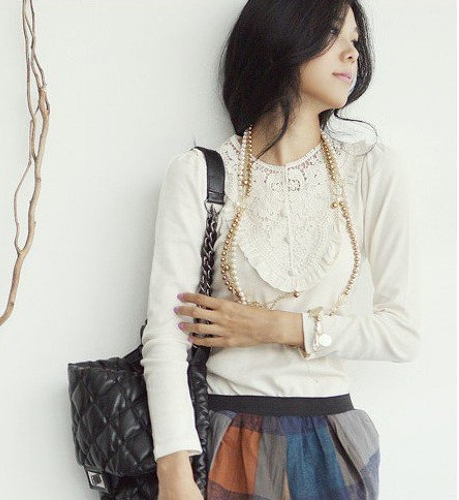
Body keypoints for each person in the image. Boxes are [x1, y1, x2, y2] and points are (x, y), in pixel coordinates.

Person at [140, 1, 421, 499]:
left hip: (330, 439)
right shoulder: (200, 173)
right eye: (333, 34)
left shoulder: (371, 170)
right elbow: (165, 336)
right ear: (282, 37)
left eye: (355, 41)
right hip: (223, 435)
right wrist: (174, 472)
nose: (352, 53)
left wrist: (277, 327)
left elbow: (402, 334)